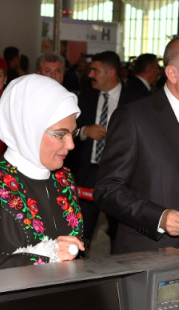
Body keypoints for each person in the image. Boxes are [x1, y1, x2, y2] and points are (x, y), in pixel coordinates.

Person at [94, 33, 179, 254]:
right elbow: (108, 189)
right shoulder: (134, 117)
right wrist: (159, 218)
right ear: (172, 73)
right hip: (150, 254)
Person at [0, 74, 85, 273]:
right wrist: (46, 256)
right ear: (28, 128)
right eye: (61, 134)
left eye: (73, 133)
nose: (70, 144)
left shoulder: (64, 177)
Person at [74, 51, 124, 246]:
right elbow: (66, 132)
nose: (90, 75)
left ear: (110, 73)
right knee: (81, 232)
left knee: (119, 233)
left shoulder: (135, 100)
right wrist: (85, 130)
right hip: (88, 174)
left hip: (119, 176)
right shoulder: (85, 97)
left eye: (95, 70)